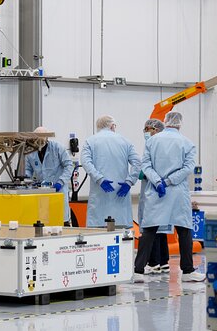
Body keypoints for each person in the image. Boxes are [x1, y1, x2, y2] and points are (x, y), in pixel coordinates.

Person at [133, 112, 205, 282]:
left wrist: (158, 182)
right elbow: (188, 168)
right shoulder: (187, 143)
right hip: (178, 192)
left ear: (164, 121)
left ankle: (138, 271)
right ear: (180, 124)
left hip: (156, 191)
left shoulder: (152, 141)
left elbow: (146, 165)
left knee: (149, 230)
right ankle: (187, 271)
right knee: (184, 230)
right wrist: (169, 181)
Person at [81, 115, 141, 227]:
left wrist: (99, 179)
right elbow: (137, 163)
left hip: (99, 196)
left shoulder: (90, 141)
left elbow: (86, 162)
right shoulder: (125, 142)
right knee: (121, 236)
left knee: (99, 236)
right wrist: (129, 181)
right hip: (121, 196)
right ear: (113, 126)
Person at [138, 118, 171, 274]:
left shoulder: (154, 144)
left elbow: (149, 166)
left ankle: (153, 262)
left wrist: (145, 173)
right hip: (162, 188)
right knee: (160, 226)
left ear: (156, 129)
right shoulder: (163, 144)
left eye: (148, 129)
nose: (146, 132)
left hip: (155, 188)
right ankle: (163, 261)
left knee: (151, 226)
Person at [24, 127, 74, 226]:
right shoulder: (30, 151)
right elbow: (28, 169)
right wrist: (26, 181)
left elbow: (69, 165)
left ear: (47, 138)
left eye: (42, 139)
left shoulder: (58, 148)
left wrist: (61, 181)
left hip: (58, 190)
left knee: (61, 221)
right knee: (44, 221)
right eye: (37, 140)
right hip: (41, 191)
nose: (40, 142)